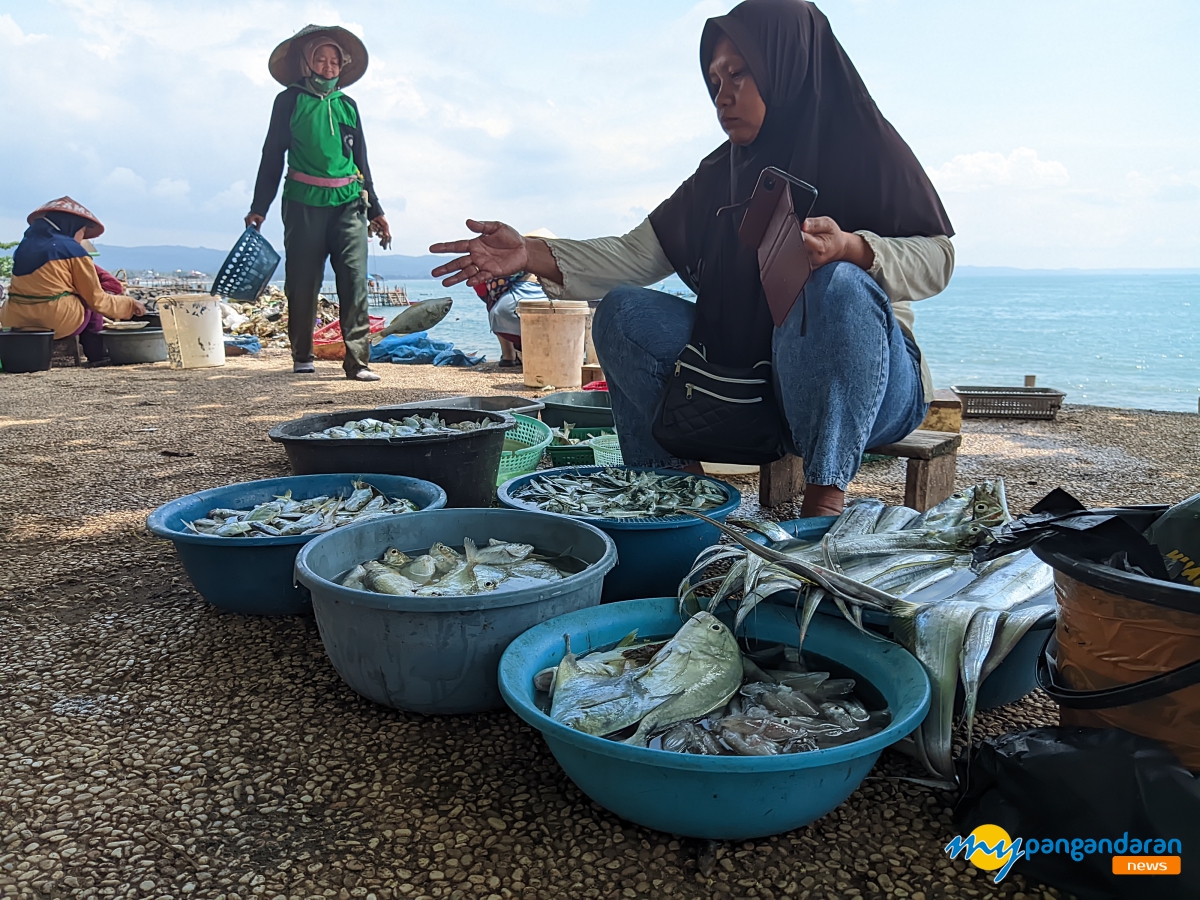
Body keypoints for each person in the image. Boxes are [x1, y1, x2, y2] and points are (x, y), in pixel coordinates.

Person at [431, 0, 954, 517]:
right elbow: (635, 254)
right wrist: (530, 253)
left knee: (837, 284)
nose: (723, 96)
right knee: (623, 313)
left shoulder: (865, 149)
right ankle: (671, 500)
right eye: (715, 82)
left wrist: (855, 249)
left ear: (786, 65)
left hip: (873, 390)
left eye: (738, 75)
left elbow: (938, 260)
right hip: (755, 384)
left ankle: (824, 506)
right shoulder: (718, 175)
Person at [247, 25, 390, 382]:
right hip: (303, 202)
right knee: (303, 280)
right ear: (307, 63)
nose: (328, 67)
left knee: (355, 281)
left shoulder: (348, 106)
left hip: (348, 203)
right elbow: (271, 156)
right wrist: (259, 207)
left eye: (334, 61)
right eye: (320, 60)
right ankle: (302, 354)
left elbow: (361, 162)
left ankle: (358, 361)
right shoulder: (289, 101)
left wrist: (377, 211)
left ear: (342, 66)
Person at [1, 197, 144, 364]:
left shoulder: (24, 247)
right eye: (83, 232)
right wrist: (131, 305)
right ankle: (97, 355)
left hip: (14, 318)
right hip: (55, 320)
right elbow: (96, 299)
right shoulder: (72, 250)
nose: (83, 238)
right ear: (73, 227)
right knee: (91, 304)